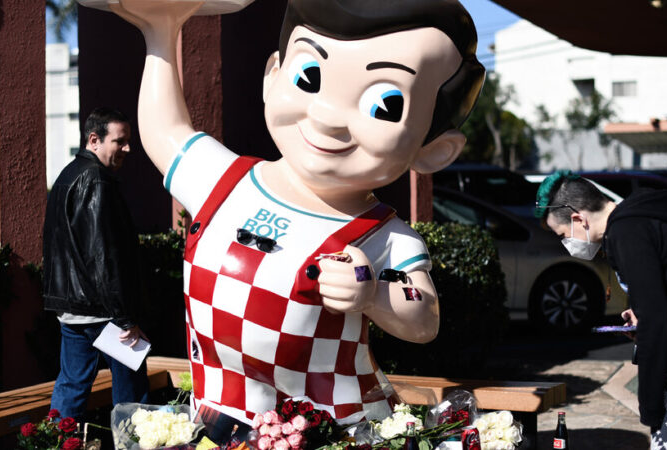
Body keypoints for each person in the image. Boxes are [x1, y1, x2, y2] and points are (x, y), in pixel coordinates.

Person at [108, 0, 485, 427]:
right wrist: (160, 32)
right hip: (217, 417)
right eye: (310, 76)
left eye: (385, 104)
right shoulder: (226, 181)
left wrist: (374, 293)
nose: (326, 117)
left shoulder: (385, 236)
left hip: (332, 429)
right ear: (273, 76)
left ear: (435, 150)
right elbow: (167, 131)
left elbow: (424, 315)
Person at [535, 171, 667, 449]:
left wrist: (650, 404)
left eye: (562, 235)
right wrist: (639, 315)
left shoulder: (627, 233)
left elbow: (657, 320)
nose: (566, 243)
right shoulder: (639, 214)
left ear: (578, 219)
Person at [43, 107, 150, 421]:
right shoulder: (97, 181)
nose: (128, 148)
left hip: (72, 309)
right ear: (94, 140)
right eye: (120, 141)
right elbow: (103, 256)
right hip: (104, 311)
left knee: (72, 386)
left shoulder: (66, 175)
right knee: (131, 394)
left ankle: (56, 443)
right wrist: (124, 317)